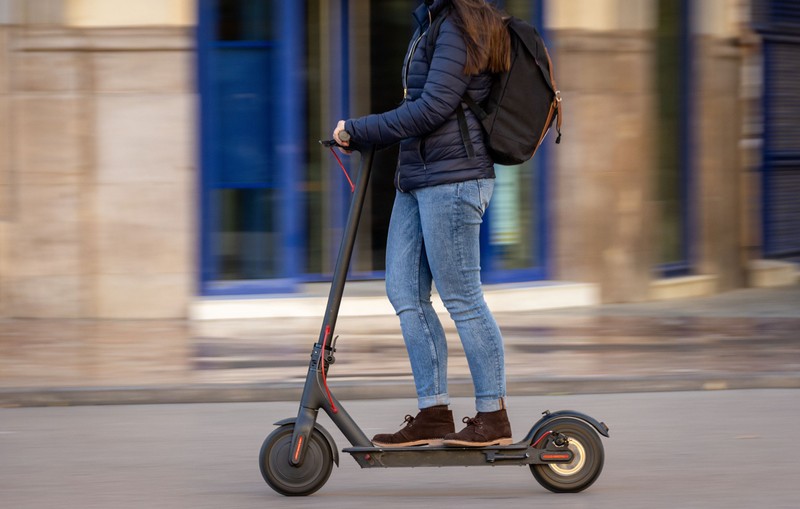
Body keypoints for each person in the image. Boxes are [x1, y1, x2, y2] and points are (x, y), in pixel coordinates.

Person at [332, 0, 512, 448]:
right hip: (418, 178)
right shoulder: (434, 21)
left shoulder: (460, 25)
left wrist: (362, 128)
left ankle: (494, 416)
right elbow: (423, 107)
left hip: (453, 181)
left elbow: (433, 108)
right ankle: (434, 412)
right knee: (405, 293)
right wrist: (366, 134)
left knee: (463, 299)